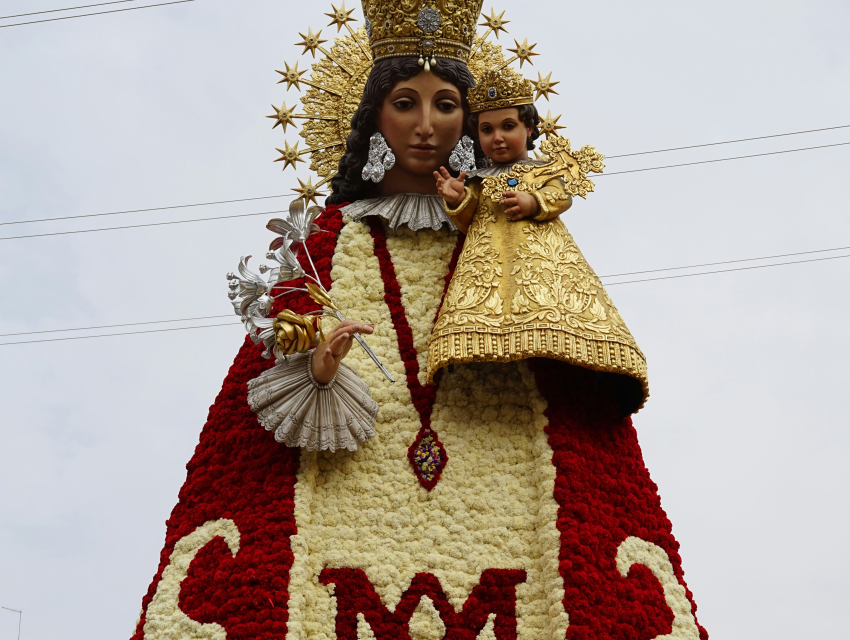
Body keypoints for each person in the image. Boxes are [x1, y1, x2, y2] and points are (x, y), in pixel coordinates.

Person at [131, 3, 708, 639]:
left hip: (506, 479)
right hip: (345, 487)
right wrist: (314, 358)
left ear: (475, 120)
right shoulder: (330, 237)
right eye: (406, 102)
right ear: (374, 113)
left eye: (447, 105)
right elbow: (285, 333)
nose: (426, 126)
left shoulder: (505, 229)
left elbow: (556, 327)